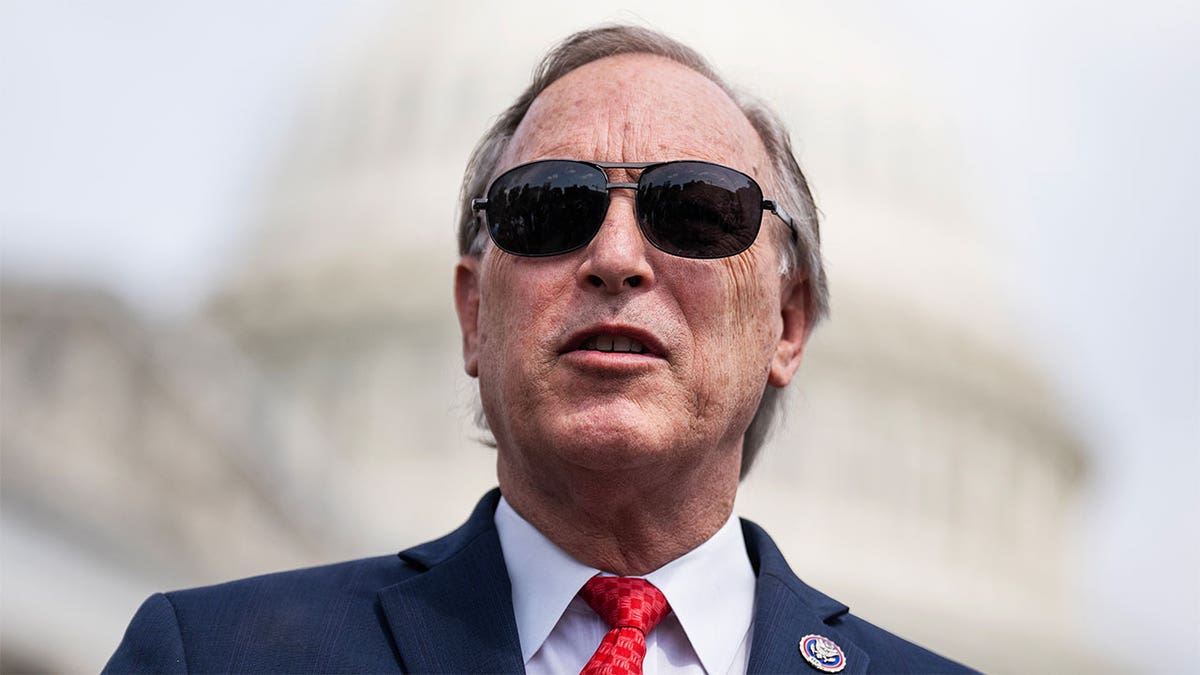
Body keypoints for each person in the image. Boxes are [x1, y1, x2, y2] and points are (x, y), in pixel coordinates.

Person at [106, 25, 973, 674]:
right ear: (473, 310)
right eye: (550, 207)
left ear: (788, 323)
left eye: (697, 211)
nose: (617, 259)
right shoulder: (212, 658)